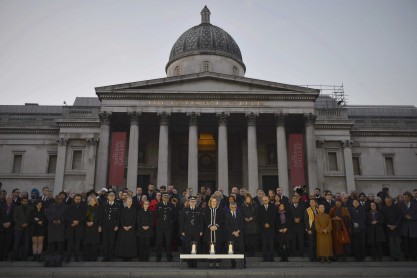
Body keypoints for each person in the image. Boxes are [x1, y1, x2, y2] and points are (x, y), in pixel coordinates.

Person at [179, 196, 203, 268]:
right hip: (187, 231)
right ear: (189, 202)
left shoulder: (199, 210)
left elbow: (201, 222)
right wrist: (182, 231)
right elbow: (182, 222)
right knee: (188, 247)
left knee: (196, 247)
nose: (192, 202)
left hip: (196, 231)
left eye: (194, 201)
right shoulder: (184, 210)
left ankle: (195, 263)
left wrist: (201, 230)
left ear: (196, 202)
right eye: (191, 201)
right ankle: (189, 263)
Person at [98, 189, 121, 262]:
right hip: (105, 226)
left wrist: (117, 225)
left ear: (114, 197)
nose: (111, 197)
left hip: (113, 226)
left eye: (113, 196)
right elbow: (101, 216)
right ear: (107, 197)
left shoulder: (117, 205)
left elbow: (118, 217)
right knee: (105, 242)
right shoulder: (104, 205)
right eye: (110, 196)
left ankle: (111, 257)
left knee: (111, 242)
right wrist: (100, 226)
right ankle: (105, 257)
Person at [65, 194, 86, 262]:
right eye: (76, 199)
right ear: (74, 199)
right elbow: (67, 216)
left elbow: (84, 216)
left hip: (79, 227)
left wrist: (78, 221)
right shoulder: (69, 207)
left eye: (79, 199)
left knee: (78, 243)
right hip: (71, 226)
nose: (78, 200)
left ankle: (76, 257)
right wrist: (72, 222)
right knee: (70, 243)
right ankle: (68, 257)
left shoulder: (83, 207)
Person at [155, 193, 176, 262]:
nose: (165, 198)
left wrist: (171, 222)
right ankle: (158, 258)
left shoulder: (171, 205)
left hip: (168, 227)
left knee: (168, 243)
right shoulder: (158, 205)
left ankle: (169, 257)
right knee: (159, 242)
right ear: (162, 198)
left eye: (167, 197)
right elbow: (156, 215)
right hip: (160, 227)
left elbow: (174, 215)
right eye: (164, 197)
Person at [46, 195, 67, 261]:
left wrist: (60, 220)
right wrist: (53, 220)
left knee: (60, 242)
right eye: (58, 199)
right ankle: (50, 258)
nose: (59, 200)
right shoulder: (51, 206)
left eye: (61, 199)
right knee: (51, 242)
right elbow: (48, 214)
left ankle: (60, 258)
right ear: (55, 199)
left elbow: (66, 215)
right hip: (52, 226)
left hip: (61, 226)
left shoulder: (65, 207)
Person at [205, 196, 224, 268]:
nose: (213, 202)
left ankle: (217, 261)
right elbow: (205, 219)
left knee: (218, 246)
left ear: (216, 202)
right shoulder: (207, 209)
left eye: (215, 201)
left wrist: (216, 225)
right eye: (212, 201)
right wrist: (210, 226)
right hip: (209, 230)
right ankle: (210, 261)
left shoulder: (220, 209)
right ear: (210, 202)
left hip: (217, 230)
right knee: (209, 246)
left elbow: (221, 218)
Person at [115, 197, 137, 261]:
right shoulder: (123, 209)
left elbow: (135, 219)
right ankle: (123, 255)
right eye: (128, 201)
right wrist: (124, 226)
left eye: (130, 201)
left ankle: (130, 256)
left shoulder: (134, 210)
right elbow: (121, 218)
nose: (129, 202)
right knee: (123, 242)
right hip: (123, 229)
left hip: (131, 229)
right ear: (126, 202)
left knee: (130, 243)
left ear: (132, 202)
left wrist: (131, 226)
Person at [398, 191, 417, 261]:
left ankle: (414, 256)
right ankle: (407, 256)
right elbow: (398, 214)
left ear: (409, 197)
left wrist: (412, 218)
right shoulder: (400, 204)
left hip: (413, 227)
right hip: (404, 227)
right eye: (403, 197)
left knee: (413, 243)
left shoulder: (415, 204)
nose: (404, 199)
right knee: (405, 243)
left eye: (406, 197)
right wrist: (404, 216)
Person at [225, 202, 245, 268]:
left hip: (239, 234)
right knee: (231, 250)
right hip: (231, 234)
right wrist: (233, 232)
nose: (234, 209)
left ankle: (243, 263)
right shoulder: (226, 214)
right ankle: (233, 264)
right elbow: (226, 225)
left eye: (235, 207)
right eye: (232, 207)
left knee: (241, 248)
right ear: (230, 207)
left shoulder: (239, 214)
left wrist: (238, 231)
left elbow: (242, 224)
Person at [381, 197, 402, 261]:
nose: (388, 203)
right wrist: (388, 225)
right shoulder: (383, 209)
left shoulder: (396, 207)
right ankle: (393, 256)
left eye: (389, 202)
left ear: (392, 201)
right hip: (388, 229)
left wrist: (395, 225)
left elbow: (399, 217)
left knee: (397, 243)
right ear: (385, 202)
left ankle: (398, 256)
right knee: (391, 243)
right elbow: (383, 218)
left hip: (396, 228)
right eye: (387, 202)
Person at [12, 196, 32, 261]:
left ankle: (24, 257)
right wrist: (21, 224)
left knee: (26, 244)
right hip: (18, 229)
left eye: (26, 201)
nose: (25, 202)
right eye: (23, 201)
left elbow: (30, 218)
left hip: (27, 229)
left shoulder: (30, 209)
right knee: (16, 243)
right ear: (21, 201)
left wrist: (27, 224)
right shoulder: (17, 208)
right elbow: (15, 218)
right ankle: (15, 257)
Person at [257, 196, 276, 262]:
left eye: (266, 200)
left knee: (271, 244)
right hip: (263, 228)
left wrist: (269, 224)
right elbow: (259, 218)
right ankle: (265, 258)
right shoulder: (259, 208)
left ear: (268, 200)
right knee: (264, 244)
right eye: (263, 200)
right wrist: (264, 224)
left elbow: (274, 217)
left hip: (271, 228)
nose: (264, 201)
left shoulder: (272, 207)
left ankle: (271, 258)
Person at [83, 196, 100, 261]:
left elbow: (99, 217)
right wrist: (87, 222)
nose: (91, 202)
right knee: (87, 242)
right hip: (87, 227)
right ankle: (86, 257)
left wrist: (93, 222)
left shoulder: (98, 209)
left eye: (93, 201)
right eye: (90, 201)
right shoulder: (86, 208)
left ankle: (93, 257)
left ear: (96, 201)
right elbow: (84, 217)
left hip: (95, 227)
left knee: (94, 243)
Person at [0, 194, 14, 261]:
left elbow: (15, 217)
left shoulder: (15, 207)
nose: (10, 199)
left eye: (11, 198)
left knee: (8, 243)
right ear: (6, 199)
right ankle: (1, 256)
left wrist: (10, 223)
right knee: (1, 242)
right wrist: (3, 223)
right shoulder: (1, 206)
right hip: (1, 228)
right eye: (8, 198)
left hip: (10, 228)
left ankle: (5, 256)